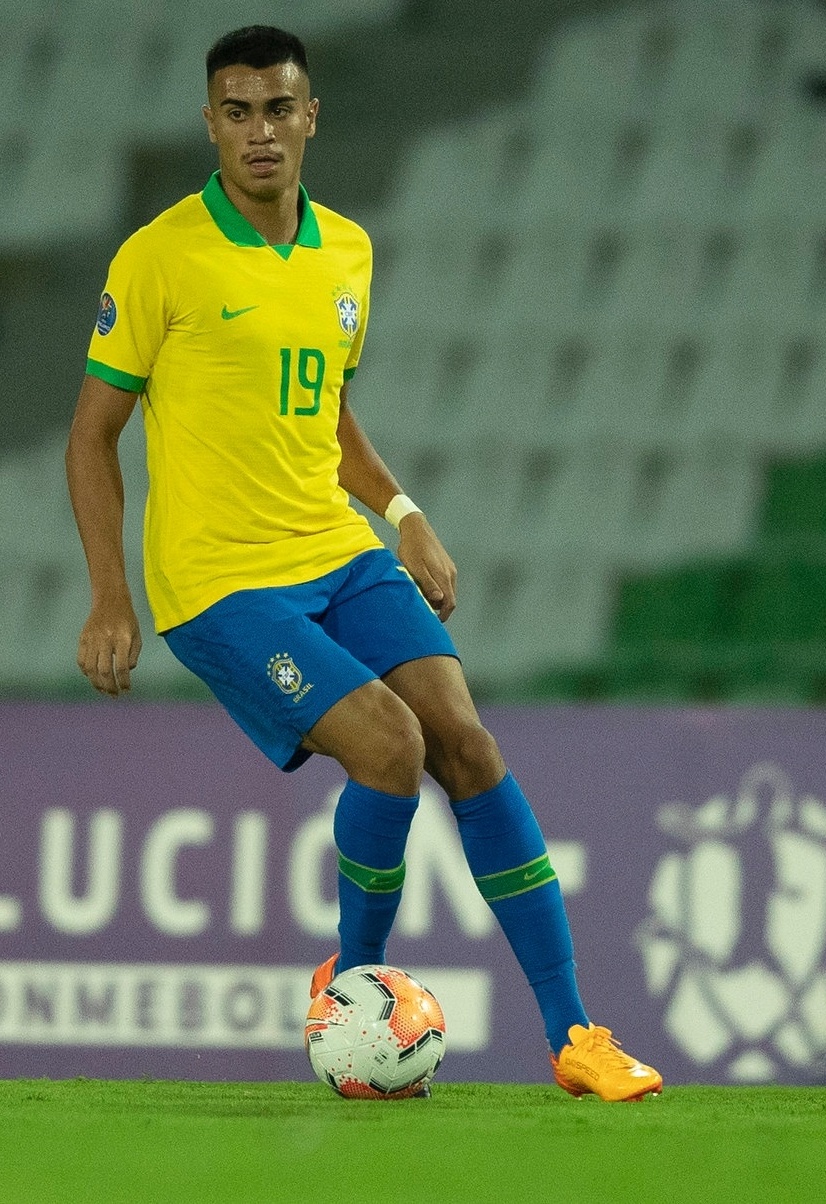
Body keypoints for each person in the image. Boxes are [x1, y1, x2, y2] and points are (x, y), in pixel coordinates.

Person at [65, 24, 661, 1102]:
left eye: (279, 109)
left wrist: (401, 508)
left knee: (466, 745)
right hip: (220, 579)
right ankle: (354, 993)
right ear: (210, 122)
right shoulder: (158, 257)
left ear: (311, 117)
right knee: (389, 744)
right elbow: (90, 434)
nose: (260, 131)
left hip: (335, 548)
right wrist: (111, 593)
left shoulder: (347, 249)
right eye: (237, 111)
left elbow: (323, 407)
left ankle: (577, 1035)